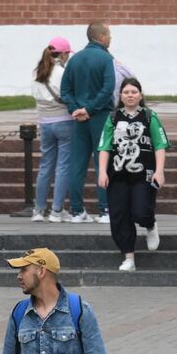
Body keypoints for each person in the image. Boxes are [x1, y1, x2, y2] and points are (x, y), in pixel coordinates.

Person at [96, 78, 168, 273]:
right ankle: (129, 257)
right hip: (117, 174)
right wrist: (102, 171)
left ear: (140, 95)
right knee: (119, 216)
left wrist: (160, 171)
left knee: (141, 211)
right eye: (126, 92)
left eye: (134, 92)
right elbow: (104, 146)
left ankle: (150, 225)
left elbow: (160, 145)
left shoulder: (149, 116)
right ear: (120, 95)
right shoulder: (113, 117)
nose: (130, 95)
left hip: (143, 174)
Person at [60, 22, 115, 223]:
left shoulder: (75, 60)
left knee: (78, 163)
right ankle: (105, 210)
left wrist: (76, 109)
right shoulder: (106, 58)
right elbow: (108, 89)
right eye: (108, 35)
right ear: (100, 37)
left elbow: (65, 89)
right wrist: (90, 109)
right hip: (100, 115)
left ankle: (76, 211)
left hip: (79, 119)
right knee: (103, 162)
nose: (110, 38)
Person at [30, 37, 73, 221]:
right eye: (68, 54)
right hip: (64, 122)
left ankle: (38, 210)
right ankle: (56, 210)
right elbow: (70, 95)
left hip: (45, 123)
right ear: (63, 54)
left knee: (45, 166)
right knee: (63, 166)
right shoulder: (62, 73)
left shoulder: (37, 73)